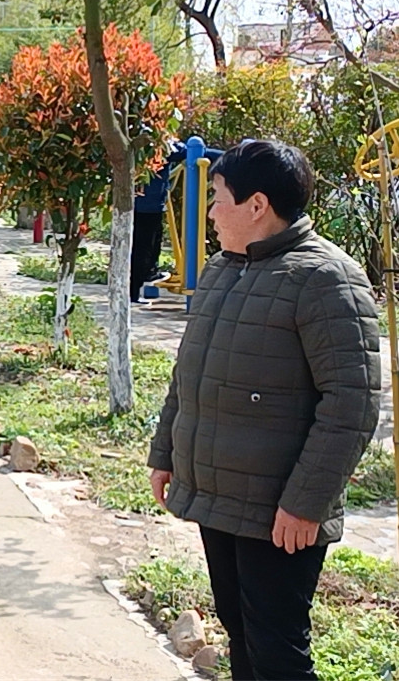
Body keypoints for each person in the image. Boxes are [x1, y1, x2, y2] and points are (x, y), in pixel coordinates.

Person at [147, 140, 380, 681]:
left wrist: (306, 503)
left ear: (256, 206)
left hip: (280, 512)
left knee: (277, 651)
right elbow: (190, 375)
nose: (209, 211)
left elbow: (352, 402)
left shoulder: (326, 279)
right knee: (240, 629)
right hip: (221, 495)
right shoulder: (226, 269)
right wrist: (167, 453)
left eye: (218, 197)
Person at [131, 139, 223, 304]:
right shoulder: (160, 146)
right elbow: (190, 151)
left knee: (149, 245)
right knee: (142, 250)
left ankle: (148, 274)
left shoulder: (142, 142)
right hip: (148, 206)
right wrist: (232, 156)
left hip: (144, 205)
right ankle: (134, 291)